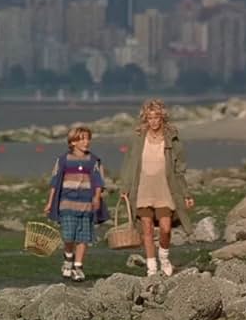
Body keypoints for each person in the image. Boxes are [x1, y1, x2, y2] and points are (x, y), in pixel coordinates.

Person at [118, 99, 195, 277]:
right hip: (143, 187)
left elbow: (179, 169)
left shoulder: (172, 139)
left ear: (162, 118)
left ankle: (165, 258)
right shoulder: (138, 138)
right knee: (146, 228)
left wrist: (186, 193)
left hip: (165, 189)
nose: (153, 121)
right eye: (149, 118)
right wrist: (125, 186)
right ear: (145, 119)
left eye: (156, 117)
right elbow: (129, 163)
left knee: (166, 228)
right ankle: (151, 267)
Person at [43, 126, 109, 282]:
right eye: (81, 139)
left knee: (83, 238)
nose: (86, 142)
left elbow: (99, 182)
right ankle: (68, 259)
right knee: (68, 235)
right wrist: (50, 203)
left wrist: (97, 198)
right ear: (72, 142)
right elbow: (54, 183)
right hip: (67, 203)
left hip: (86, 204)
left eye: (87, 138)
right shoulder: (63, 160)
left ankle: (78, 267)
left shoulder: (93, 161)